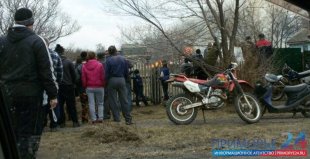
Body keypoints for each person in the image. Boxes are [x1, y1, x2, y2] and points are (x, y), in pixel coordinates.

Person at [0, 8, 58, 158]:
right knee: (30, 133)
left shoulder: (2, 41)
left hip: (7, 94)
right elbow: (46, 71)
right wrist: (53, 94)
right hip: (31, 95)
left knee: (11, 131)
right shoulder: (36, 41)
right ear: (31, 22)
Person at [105, 45, 133, 125]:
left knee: (113, 101)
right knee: (124, 100)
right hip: (121, 79)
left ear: (109, 52)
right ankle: (128, 119)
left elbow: (107, 73)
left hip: (112, 80)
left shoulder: (108, 60)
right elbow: (126, 71)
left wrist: (106, 82)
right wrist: (127, 79)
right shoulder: (122, 58)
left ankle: (117, 119)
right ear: (116, 51)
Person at [55, 44, 80, 128]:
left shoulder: (54, 61)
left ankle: (62, 122)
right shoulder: (68, 62)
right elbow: (74, 75)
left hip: (58, 86)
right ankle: (75, 122)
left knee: (60, 106)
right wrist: (74, 83)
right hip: (68, 86)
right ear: (63, 52)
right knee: (71, 105)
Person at [42, 38, 63, 132]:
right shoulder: (55, 54)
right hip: (53, 84)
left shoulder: (35, 54)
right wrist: (58, 82)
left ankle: (42, 124)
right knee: (54, 104)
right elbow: (60, 71)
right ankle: (54, 125)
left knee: (42, 105)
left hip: (40, 85)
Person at [82, 52, 105, 124]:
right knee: (100, 103)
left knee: (91, 103)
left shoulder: (84, 66)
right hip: (99, 86)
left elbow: (83, 78)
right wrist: (103, 84)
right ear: (95, 56)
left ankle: (93, 119)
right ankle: (100, 118)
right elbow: (103, 76)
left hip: (89, 87)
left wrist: (85, 86)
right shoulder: (100, 64)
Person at [75, 51, 89, 123]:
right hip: (91, 86)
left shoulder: (79, 67)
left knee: (83, 103)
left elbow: (76, 78)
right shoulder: (90, 65)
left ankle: (84, 118)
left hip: (82, 87)